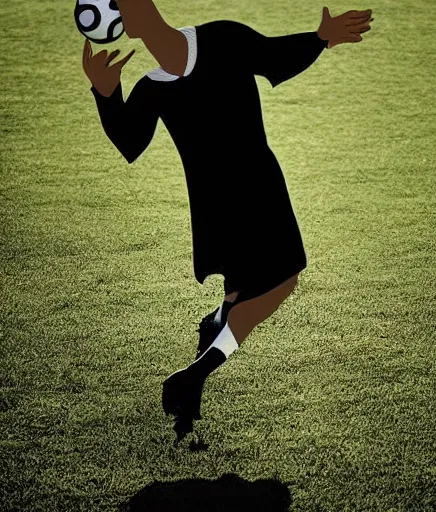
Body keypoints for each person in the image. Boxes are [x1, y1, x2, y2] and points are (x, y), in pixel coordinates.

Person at [82, 1, 373, 434]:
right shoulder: (152, 87)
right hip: (237, 199)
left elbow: (274, 58)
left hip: (251, 190)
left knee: (244, 295)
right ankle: (199, 369)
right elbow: (130, 143)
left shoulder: (221, 38)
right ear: (123, 21)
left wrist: (320, 38)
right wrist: (105, 94)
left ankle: (214, 331)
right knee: (285, 281)